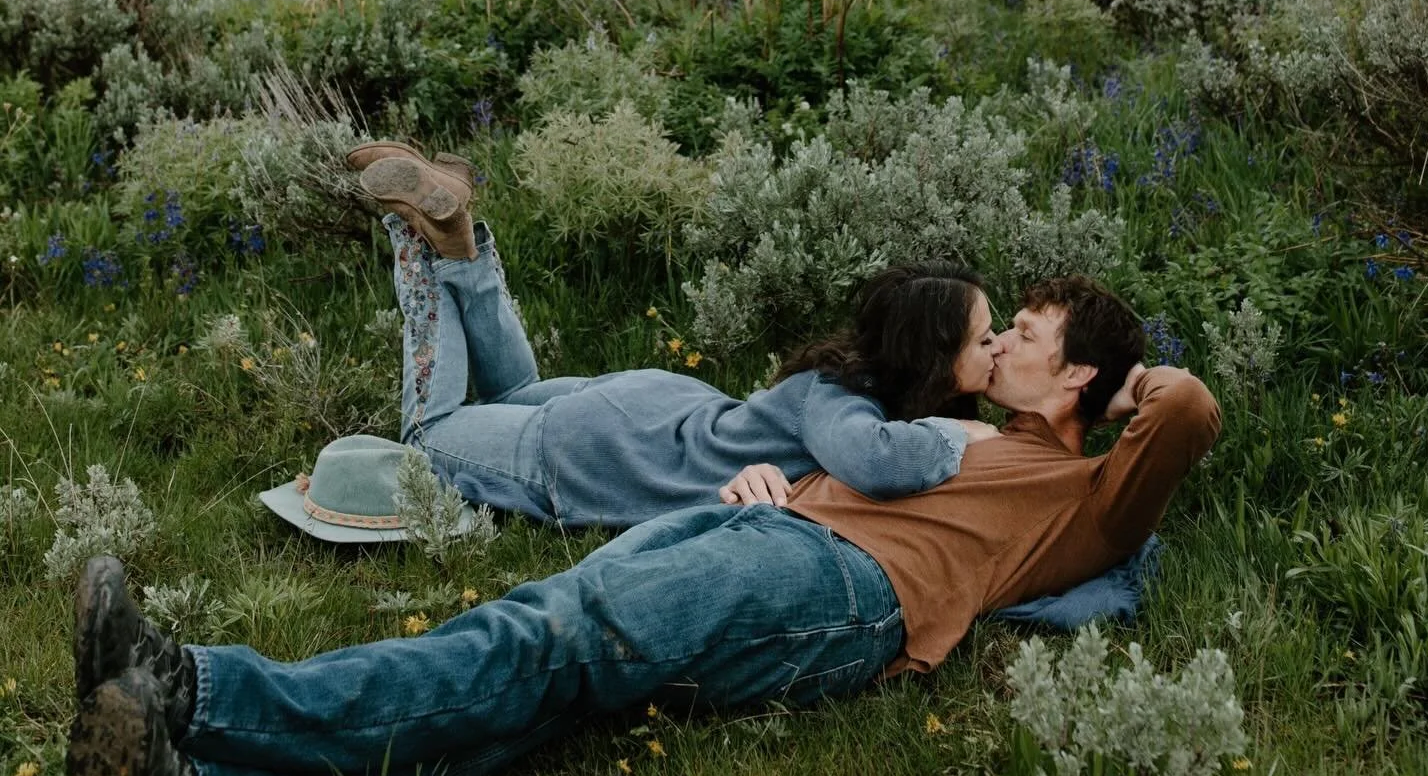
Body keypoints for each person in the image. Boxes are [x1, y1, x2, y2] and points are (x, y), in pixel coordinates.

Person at [66, 274, 1221, 776]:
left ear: (1081, 378)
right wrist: (776, 484)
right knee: (550, 688)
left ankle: (199, 688)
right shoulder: (968, 433)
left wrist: (1135, 388)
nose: (1006, 338)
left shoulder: (1087, 496)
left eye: (1028, 336)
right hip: (775, 535)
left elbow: (1193, 415)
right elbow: (858, 466)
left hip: (840, 589)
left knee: (540, 641)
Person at [344, 139, 1000, 523]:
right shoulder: (845, 401)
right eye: (984, 338)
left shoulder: (846, 381)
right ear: (932, 357)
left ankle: (459, 242)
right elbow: (875, 462)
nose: (996, 348)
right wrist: (961, 429)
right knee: (429, 437)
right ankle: (417, 234)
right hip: (607, 450)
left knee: (514, 389)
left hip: (654, 410)